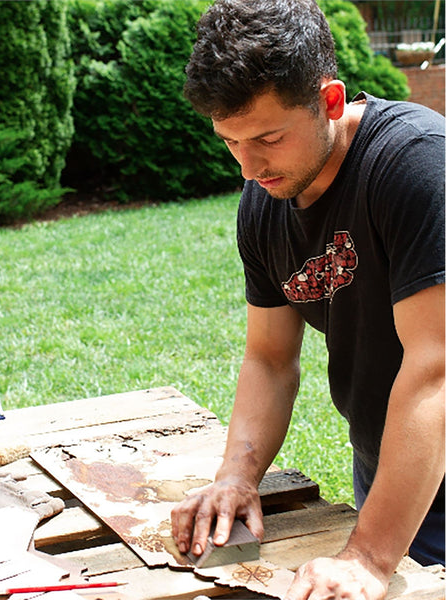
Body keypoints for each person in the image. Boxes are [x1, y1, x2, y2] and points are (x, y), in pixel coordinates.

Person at [169, 0, 445, 598]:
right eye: (230, 142)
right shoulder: (264, 204)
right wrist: (237, 476)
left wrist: (369, 557)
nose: (248, 168)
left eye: (267, 138)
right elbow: (269, 358)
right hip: (394, 466)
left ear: (331, 102)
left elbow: (437, 371)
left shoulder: (417, 164)